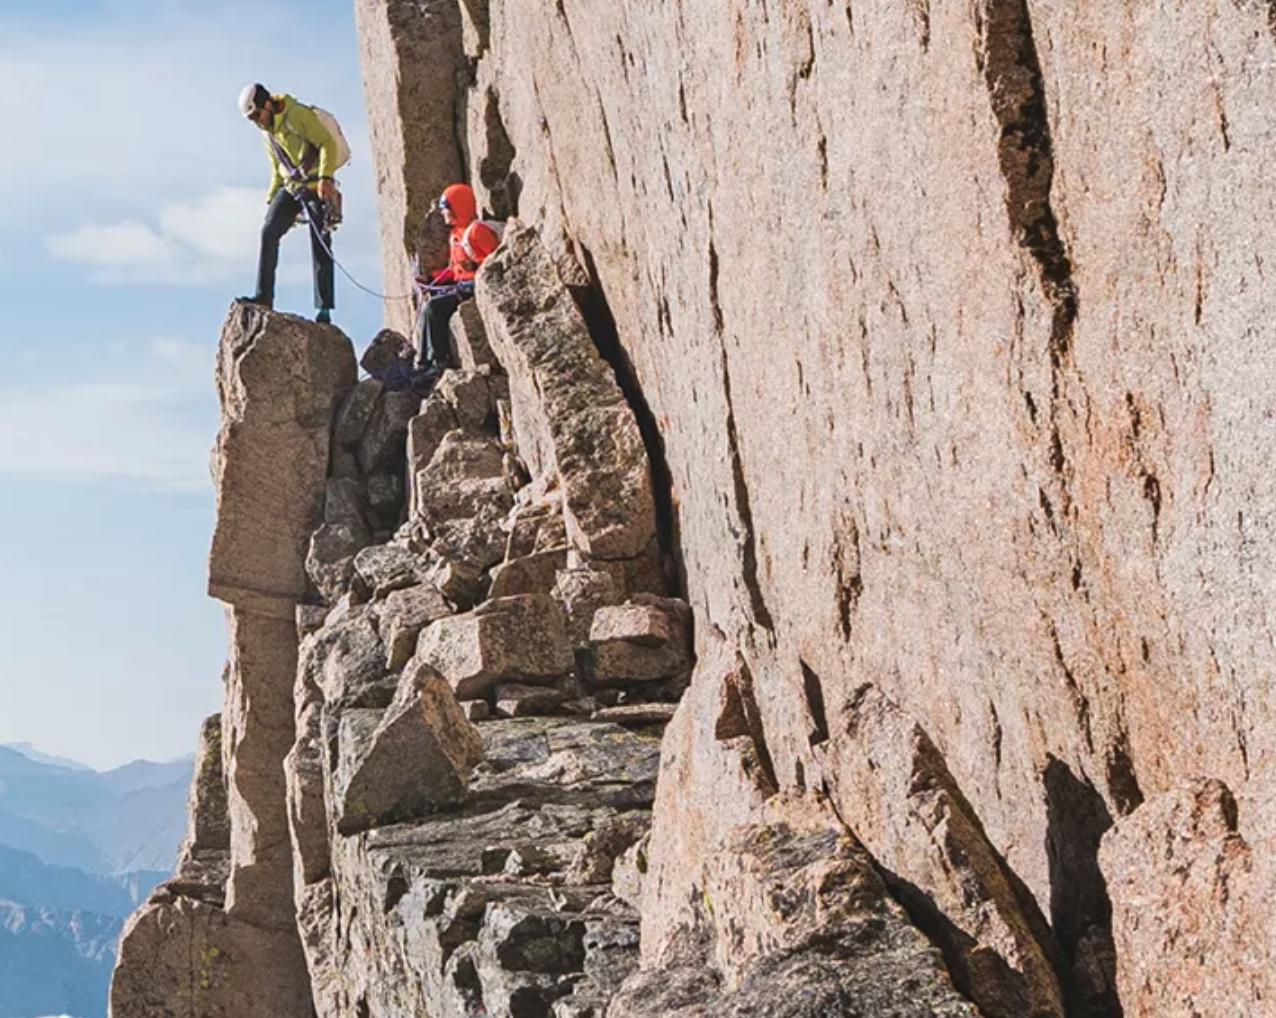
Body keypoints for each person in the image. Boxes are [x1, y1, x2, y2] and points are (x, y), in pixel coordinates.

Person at [237, 83, 340, 324]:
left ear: (267, 104)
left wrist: (326, 178)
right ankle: (264, 296)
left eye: (257, 115)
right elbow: (277, 169)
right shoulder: (268, 134)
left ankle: (324, 308)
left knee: (320, 240)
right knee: (268, 232)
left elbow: (327, 144)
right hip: (292, 187)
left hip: (316, 184)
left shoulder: (297, 115)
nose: (257, 122)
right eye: (252, 119)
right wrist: (272, 198)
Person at [414, 183, 501, 378]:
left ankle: (438, 361)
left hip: (475, 288)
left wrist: (475, 267)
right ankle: (424, 362)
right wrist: (431, 280)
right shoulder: (456, 235)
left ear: (457, 208)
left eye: (446, 208)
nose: (444, 213)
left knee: (434, 308)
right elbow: (454, 270)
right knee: (428, 308)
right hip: (463, 286)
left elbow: (496, 263)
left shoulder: (477, 232)